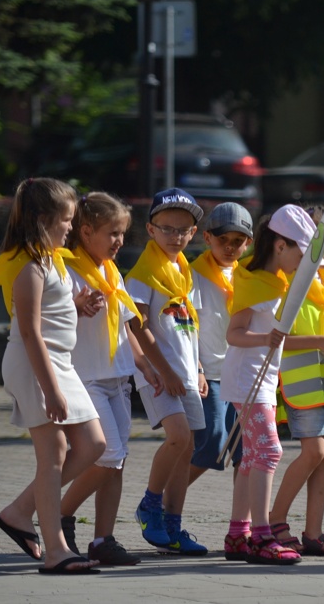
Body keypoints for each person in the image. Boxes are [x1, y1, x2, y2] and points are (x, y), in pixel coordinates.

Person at [0, 177, 106, 574]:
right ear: (43, 220)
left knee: (92, 444)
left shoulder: (48, 260)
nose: (70, 227)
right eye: (66, 220)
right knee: (53, 455)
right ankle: (55, 550)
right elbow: (29, 331)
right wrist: (51, 390)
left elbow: (47, 311)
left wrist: (75, 303)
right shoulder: (29, 265)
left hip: (58, 363)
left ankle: (20, 512)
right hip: (36, 364)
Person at [59, 192, 160, 566]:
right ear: (85, 231)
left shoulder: (110, 270)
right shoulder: (68, 269)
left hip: (117, 376)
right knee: (107, 453)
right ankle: (59, 514)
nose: (119, 241)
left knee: (118, 461)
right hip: (86, 377)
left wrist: (143, 364)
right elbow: (49, 317)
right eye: (111, 233)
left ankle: (103, 539)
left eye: (122, 233)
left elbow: (124, 329)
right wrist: (76, 305)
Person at [220, 204, 316, 565]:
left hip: (261, 378)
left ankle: (237, 534)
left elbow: (270, 336)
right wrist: (266, 339)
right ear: (280, 245)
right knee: (270, 452)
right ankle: (261, 536)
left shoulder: (272, 279)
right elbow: (235, 334)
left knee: (253, 457)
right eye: (300, 253)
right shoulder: (257, 281)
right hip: (247, 379)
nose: (301, 263)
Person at [269, 208, 324, 557]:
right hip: (300, 381)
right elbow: (275, 338)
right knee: (314, 451)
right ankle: (275, 521)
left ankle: (314, 532)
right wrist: (320, 343)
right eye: (323, 246)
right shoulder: (288, 279)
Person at [125, 187, 208, 556]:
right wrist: (164, 371)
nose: (176, 236)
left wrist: (199, 368)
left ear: (192, 233)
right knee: (177, 438)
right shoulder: (143, 273)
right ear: (150, 229)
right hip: (159, 374)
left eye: (183, 230)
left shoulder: (183, 270)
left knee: (188, 447)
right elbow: (138, 326)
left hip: (186, 372)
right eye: (167, 228)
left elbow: (190, 325)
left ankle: (173, 527)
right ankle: (150, 505)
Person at [188, 202, 254, 484]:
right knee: (213, 445)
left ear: (248, 243)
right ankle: (162, 500)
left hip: (239, 375)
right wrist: (198, 368)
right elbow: (186, 327)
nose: (229, 247)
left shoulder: (247, 277)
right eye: (222, 239)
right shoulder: (192, 275)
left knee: (246, 451)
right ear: (207, 238)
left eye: (237, 242)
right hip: (210, 376)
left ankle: (242, 524)